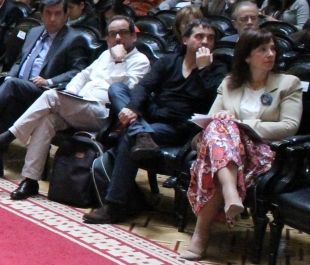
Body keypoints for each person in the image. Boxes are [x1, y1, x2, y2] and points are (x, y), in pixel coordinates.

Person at [0, 16, 150, 199]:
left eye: (123, 33)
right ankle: (30, 180)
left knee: (51, 96)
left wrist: (120, 61)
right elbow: (82, 75)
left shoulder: (140, 61)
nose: (117, 38)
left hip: (104, 114)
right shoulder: (104, 55)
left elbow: (127, 91)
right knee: (46, 120)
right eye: (112, 34)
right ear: (107, 38)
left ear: (134, 36)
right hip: (79, 106)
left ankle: (6, 137)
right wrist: (71, 94)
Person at [84, 20, 227, 224]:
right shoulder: (169, 61)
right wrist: (133, 108)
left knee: (128, 137)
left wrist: (204, 69)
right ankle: (140, 133)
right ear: (185, 40)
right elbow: (144, 86)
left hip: (177, 126)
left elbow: (215, 102)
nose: (205, 41)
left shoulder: (217, 69)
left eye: (210, 38)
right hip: (150, 117)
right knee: (117, 89)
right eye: (199, 36)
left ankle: (114, 205)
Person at [181, 30, 302, 260]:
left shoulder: (288, 83)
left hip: (264, 151)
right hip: (228, 149)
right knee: (219, 127)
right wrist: (223, 118)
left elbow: (290, 126)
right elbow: (210, 120)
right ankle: (230, 194)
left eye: (273, 49)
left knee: (219, 144)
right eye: (262, 49)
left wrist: (242, 124)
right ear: (247, 56)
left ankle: (201, 235)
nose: (270, 54)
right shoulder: (229, 83)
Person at [0, 0, 90, 180]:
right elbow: (19, 61)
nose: (53, 18)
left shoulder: (74, 39)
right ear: (42, 15)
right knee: (8, 99)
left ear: (65, 15)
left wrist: (49, 81)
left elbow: (78, 72)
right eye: (48, 13)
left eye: (58, 14)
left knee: (10, 86)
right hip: (20, 89)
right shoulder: (34, 32)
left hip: (45, 95)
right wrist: (10, 75)